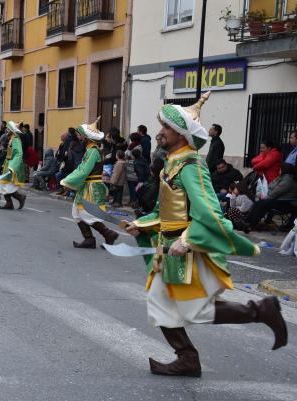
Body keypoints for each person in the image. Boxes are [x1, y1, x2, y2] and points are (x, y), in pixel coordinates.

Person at [124, 93, 286, 378]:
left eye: (167, 128)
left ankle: (260, 310)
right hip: (169, 246)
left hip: (186, 248)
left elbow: (209, 211)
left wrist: (188, 240)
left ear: (183, 134)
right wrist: (143, 224)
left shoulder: (191, 165)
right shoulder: (172, 163)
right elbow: (165, 211)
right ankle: (187, 357)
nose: (161, 132)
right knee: (161, 302)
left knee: (194, 309)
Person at [61, 120, 119, 248]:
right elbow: (81, 168)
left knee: (87, 214)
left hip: (92, 187)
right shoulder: (90, 150)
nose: (79, 137)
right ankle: (90, 239)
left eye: (81, 135)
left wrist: (67, 181)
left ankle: (108, 234)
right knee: (77, 212)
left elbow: (84, 170)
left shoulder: (92, 151)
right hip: (87, 186)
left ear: (86, 137)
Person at [237, 163, 297, 232]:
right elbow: (270, 186)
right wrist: (271, 190)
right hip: (280, 200)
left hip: (288, 203)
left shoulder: (288, 180)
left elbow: (275, 192)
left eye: (280, 169)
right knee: (258, 202)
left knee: (263, 204)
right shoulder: (282, 177)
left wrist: (270, 191)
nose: (279, 170)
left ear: (285, 170)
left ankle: (251, 224)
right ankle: (247, 221)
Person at [0, 121, 27, 210]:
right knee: (3, 185)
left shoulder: (15, 139)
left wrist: (13, 166)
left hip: (12, 165)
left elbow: (18, 153)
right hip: (8, 163)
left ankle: (19, 198)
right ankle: (10, 203)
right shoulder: (12, 139)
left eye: (8, 129)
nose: (6, 130)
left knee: (5, 185)